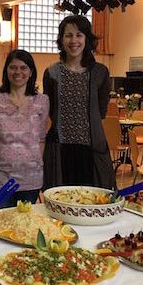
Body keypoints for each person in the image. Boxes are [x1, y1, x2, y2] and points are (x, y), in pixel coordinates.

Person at [42, 15, 115, 190]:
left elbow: (101, 111)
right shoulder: (51, 73)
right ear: (61, 39)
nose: (73, 40)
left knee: (93, 200)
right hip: (60, 148)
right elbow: (50, 110)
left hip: (91, 148)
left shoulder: (100, 72)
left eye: (79, 35)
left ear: (87, 39)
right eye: (68, 35)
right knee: (60, 200)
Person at [0, 49, 49, 208]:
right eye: (13, 67)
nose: (18, 72)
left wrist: (37, 164)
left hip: (30, 179)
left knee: (24, 226)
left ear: (31, 72)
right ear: (6, 71)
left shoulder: (42, 101)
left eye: (23, 68)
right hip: (0, 178)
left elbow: (41, 138)